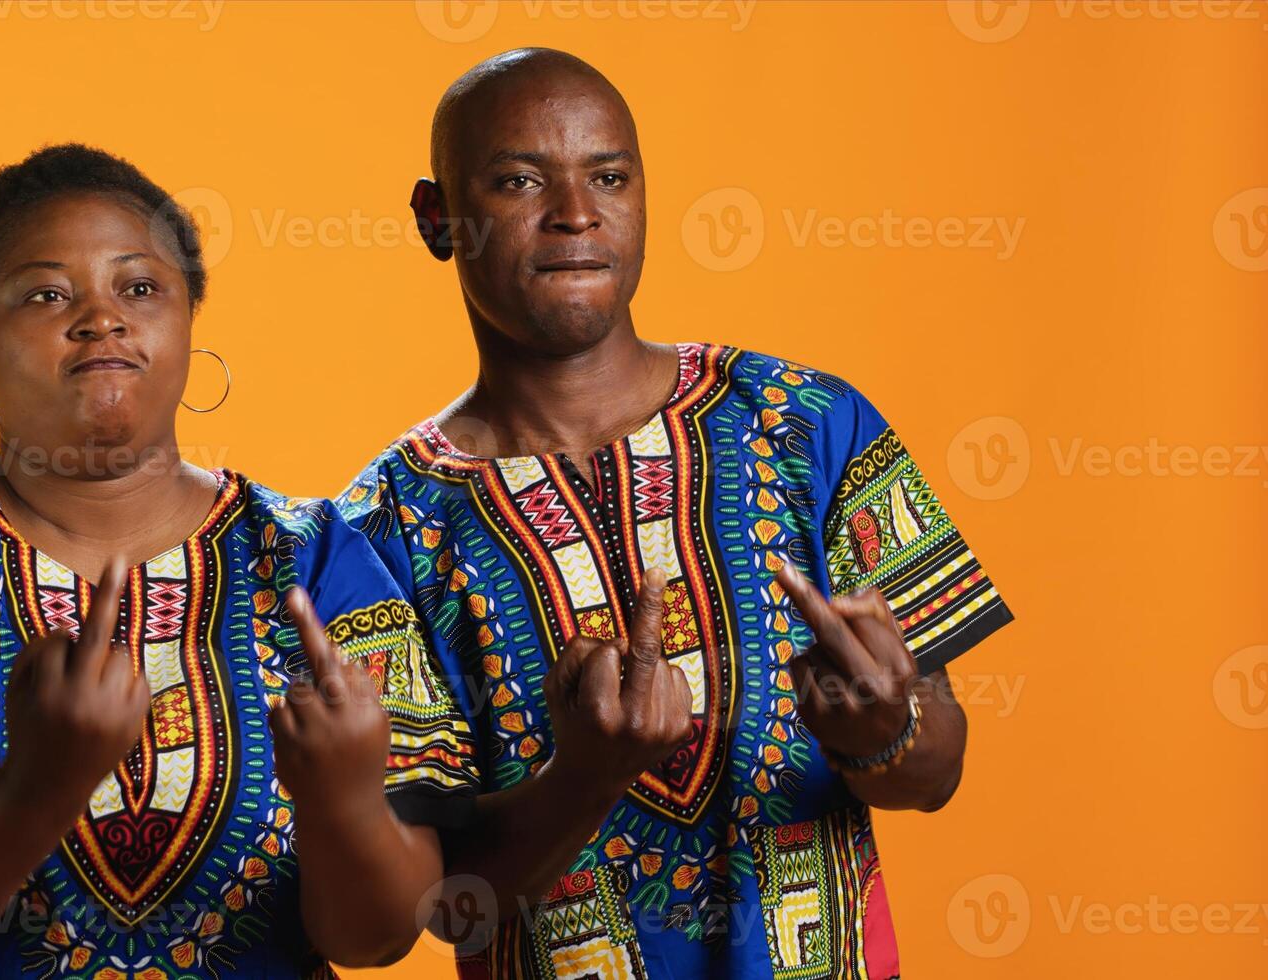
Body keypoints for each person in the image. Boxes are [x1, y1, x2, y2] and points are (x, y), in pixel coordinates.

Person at [339, 49, 1015, 979]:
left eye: (608, 176)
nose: (576, 213)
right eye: (517, 180)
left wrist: (884, 730)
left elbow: (934, 774)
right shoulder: (377, 531)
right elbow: (437, 910)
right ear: (436, 217)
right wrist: (581, 776)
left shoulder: (808, 422)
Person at [0, 143, 477, 978]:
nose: (102, 317)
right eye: (46, 294)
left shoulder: (312, 557)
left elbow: (375, 939)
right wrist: (36, 784)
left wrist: (344, 803)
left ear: (188, 318)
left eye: (139, 287)